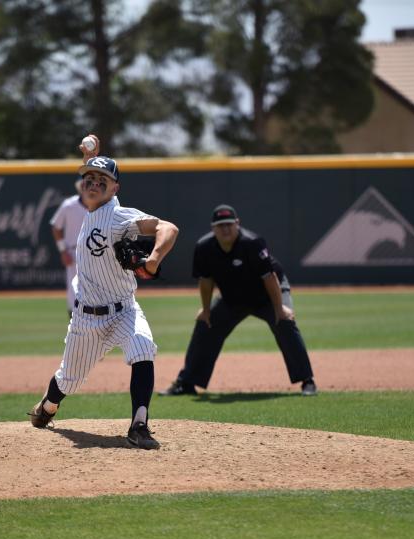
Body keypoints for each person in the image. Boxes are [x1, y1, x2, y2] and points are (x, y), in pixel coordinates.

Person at [28, 134, 179, 450]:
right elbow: (94, 179)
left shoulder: (118, 215)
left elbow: (169, 228)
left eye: (102, 180)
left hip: (124, 309)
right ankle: (47, 407)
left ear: (115, 189)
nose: (93, 183)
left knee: (142, 348)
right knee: (68, 379)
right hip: (87, 320)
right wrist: (90, 158)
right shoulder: (91, 209)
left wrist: (152, 260)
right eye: (89, 179)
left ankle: (139, 425)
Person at [159, 204, 317, 397]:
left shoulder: (252, 243)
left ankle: (307, 381)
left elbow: (270, 277)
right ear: (213, 228)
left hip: (267, 295)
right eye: (220, 225)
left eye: (229, 224)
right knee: (205, 324)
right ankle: (187, 382)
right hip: (232, 298)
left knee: (284, 321)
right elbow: (206, 281)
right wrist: (206, 310)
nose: (225, 229)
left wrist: (279, 308)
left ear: (237, 224)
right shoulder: (204, 247)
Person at [49, 179, 88, 316]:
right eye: (84, 186)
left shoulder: (101, 206)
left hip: (95, 252)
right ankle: (74, 320)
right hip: (73, 252)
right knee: (74, 290)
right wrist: (62, 250)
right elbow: (56, 226)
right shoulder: (69, 205)